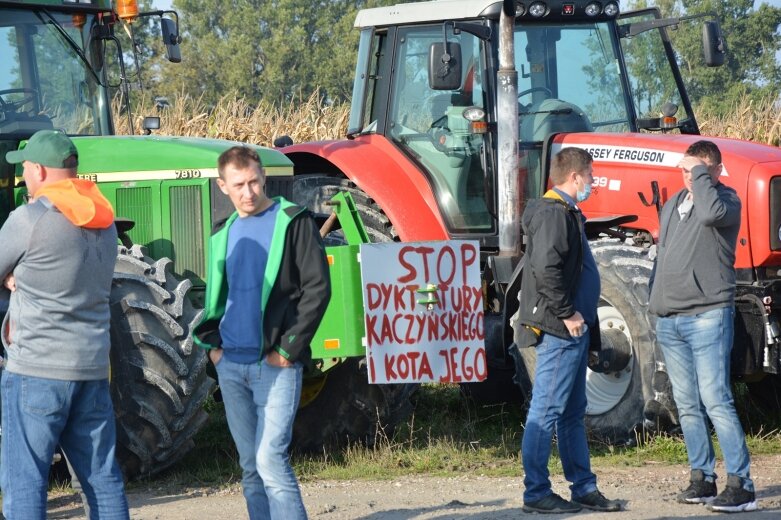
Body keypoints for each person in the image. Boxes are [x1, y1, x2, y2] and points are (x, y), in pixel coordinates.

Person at [194, 146, 331, 520]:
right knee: (250, 466)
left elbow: (318, 289)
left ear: (263, 177)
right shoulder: (222, 233)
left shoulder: (293, 221)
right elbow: (218, 296)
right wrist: (214, 351)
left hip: (276, 364)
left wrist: (287, 350)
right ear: (223, 186)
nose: (248, 192)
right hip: (231, 365)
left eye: (254, 181)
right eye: (238, 185)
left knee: (270, 460)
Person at [0, 130, 129, 519]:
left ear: (39, 170)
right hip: (90, 369)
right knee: (102, 481)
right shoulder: (105, 222)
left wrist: (12, 277)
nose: (23, 175)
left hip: (36, 371)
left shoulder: (29, 219)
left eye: (24, 168)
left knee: (25, 483)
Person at [649, 140, 756, 513]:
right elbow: (664, 257)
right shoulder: (673, 205)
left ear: (712, 170)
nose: (686, 176)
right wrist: (655, 303)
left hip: (708, 315)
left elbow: (710, 215)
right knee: (687, 403)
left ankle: (741, 484)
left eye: (693, 170)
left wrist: (699, 174)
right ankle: (702, 477)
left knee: (716, 400)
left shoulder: (725, 202)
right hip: (671, 320)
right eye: (683, 170)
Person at [515, 147, 621, 514]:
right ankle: (536, 493)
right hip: (561, 331)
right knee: (545, 412)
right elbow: (546, 270)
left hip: (573, 333)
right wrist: (568, 313)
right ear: (576, 177)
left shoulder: (565, 213)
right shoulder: (553, 215)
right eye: (590, 175)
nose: (593, 181)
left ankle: (583, 487)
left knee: (572, 412)